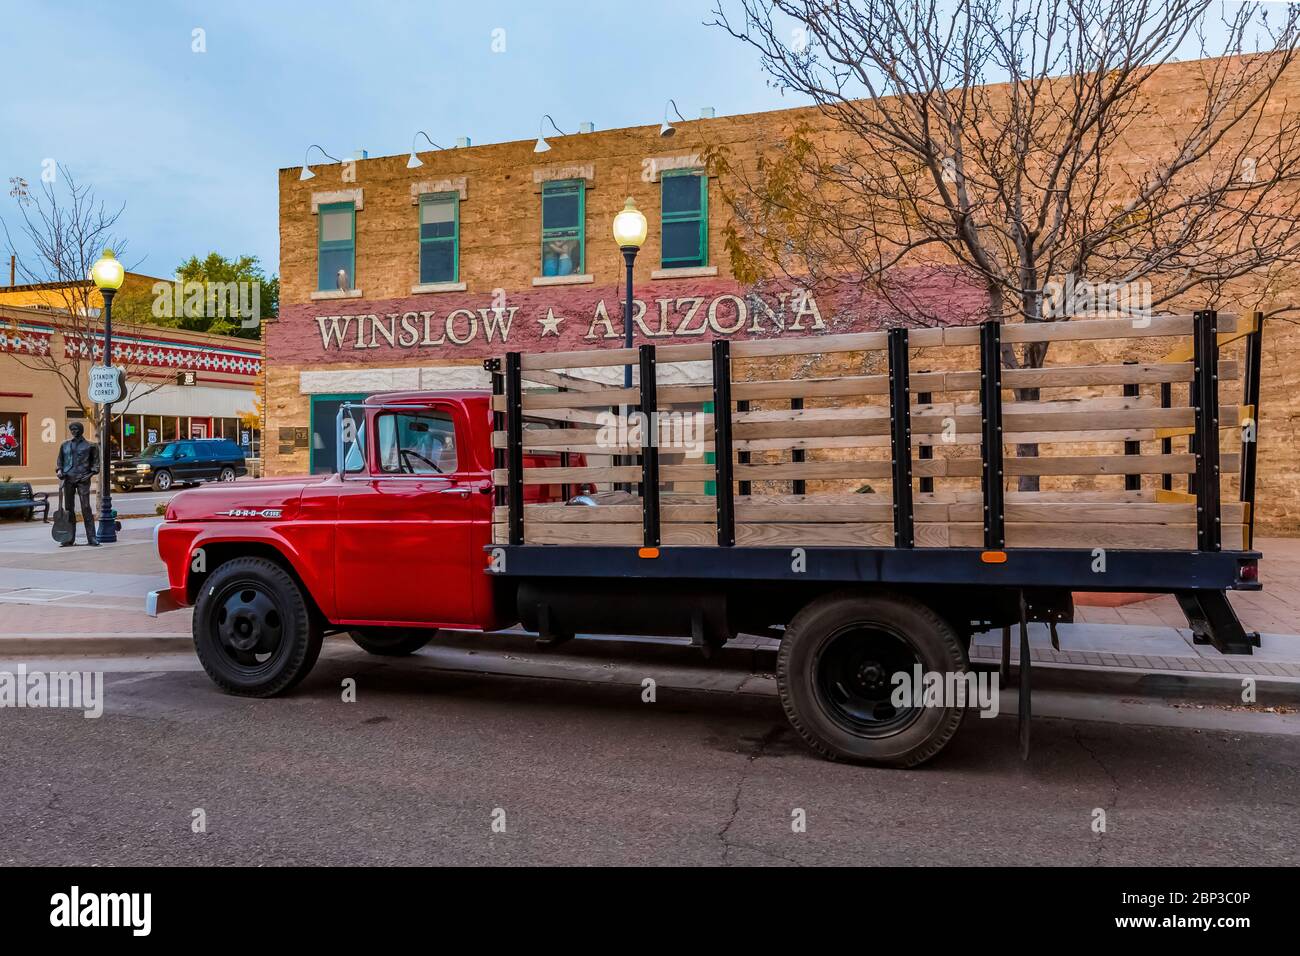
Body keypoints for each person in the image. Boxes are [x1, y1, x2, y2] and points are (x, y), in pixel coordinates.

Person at [55, 422, 99, 547]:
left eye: (76, 429)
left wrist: (88, 476)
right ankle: (69, 538)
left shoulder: (91, 446)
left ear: (81, 430)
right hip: (68, 479)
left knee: (86, 507)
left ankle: (92, 538)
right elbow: (60, 462)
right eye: (72, 429)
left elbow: (96, 466)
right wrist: (59, 471)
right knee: (69, 509)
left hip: (83, 479)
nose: (73, 431)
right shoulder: (65, 445)